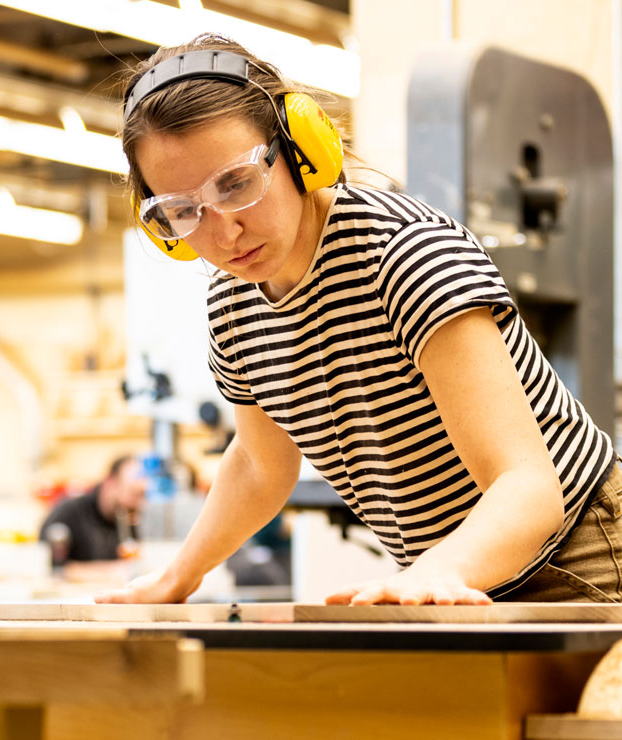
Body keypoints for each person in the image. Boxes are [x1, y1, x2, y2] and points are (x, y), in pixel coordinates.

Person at [97, 33, 622, 607]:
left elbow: (528, 485)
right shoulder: (232, 302)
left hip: (582, 551)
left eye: (237, 183)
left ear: (299, 148)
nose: (223, 232)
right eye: (183, 210)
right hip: (454, 576)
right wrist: (182, 574)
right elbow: (258, 463)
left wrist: (436, 570)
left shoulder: (402, 255)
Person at [40, 455, 145, 563]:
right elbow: (52, 567)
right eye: (134, 493)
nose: (140, 503)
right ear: (110, 482)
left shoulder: (131, 518)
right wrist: (110, 571)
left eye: (144, 495)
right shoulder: (69, 512)